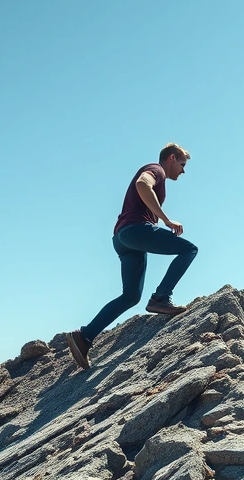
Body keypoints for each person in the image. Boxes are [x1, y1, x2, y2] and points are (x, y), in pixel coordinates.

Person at [66, 143, 199, 369]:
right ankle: (161, 298)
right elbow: (141, 184)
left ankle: (84, 336)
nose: (183, 171)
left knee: (131, 296)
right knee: (189, 249)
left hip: (122, 238)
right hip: (136, 230)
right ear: (172, 158)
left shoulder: (160, 173)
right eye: (182, 165)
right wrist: (166, 220)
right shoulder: (156, 170)